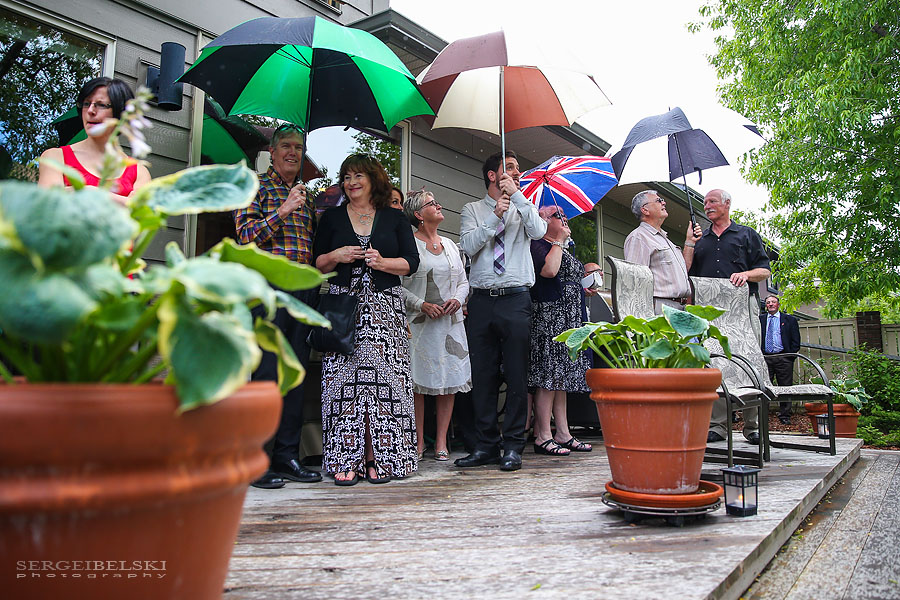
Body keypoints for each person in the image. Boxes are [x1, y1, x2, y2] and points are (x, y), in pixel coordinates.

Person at [313, 153, 420, 486]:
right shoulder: (331, 218)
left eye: (358, 175)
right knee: (342, 386)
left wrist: (383, 262)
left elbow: (411, 263)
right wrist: (337, 256)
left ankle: (380, 457)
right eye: (346, 176)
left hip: (385, 309)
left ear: (373, 179)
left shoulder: (394, 217)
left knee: (385, 386)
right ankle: (347, 458)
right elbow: (317, 263)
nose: (351, 182)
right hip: (343, 308)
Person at [233, 123, 322, 488]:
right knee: (268, 376)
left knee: (295, 375)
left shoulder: (307, 196)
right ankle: (259, 460)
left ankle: (287, 455)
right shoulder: (254, 187)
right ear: (272, 151)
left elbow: (311, 249)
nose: (293, 153)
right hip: (266, 291)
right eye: (286, 146)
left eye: (299, 148)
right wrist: (284, 209)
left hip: (301, 294)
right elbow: (246, 236)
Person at [457, 150, 547, 472]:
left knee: (516, 374)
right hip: (481, 300)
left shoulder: (525, 208)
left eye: (518, 169)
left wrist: (519, 199)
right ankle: (486, 446)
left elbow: (539, 232)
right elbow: (467, 247)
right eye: (509, 168)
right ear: (492, 176)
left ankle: (513, 446)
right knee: (482, 376)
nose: (516, 173)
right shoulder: (472, 209)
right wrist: (495, 216)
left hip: (516, 299)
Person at [684, 188, 771, 444]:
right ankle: (719, 426)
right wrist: (690, 242)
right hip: (711, 313)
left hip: (744, 308)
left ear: (727, 204)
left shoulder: (746, 234)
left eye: (712, 201)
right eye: (705, 202)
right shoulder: (701, 239)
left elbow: (764, 271)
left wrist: (747, 275)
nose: (707, 205)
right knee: (716, 362)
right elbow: (685, 270)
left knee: (749, 359)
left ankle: (752, 425)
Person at [401, 189, 472, 461]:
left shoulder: (452, 246)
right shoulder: (409, 245)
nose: (439, 205)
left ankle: (441, 441)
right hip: (420, 324)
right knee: (419, 381)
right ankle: (419, 441)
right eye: (432, 204)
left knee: (449, 379)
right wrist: (422, 304)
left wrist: (457, 298)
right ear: (419, 215)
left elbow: (464, 281)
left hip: (450, 323)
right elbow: (398, 286)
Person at [528, 206, 596, 456]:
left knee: (562, 378)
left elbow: (568, 275)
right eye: (558, 216)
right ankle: (543, 433)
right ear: (543, 221)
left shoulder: (563, 246)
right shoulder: (537, 244)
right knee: (549, 376)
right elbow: (549, 271)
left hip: (569, 316)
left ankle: (563, 432)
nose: (565, 219)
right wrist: (559, 240)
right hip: (549, 317)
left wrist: (583, 287)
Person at [38, 77, 151, 202]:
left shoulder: (138, 171)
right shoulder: (55, 157)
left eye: (101, 105)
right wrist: (119, 201)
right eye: (86, 104)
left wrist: (79, 192)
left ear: (120, 112)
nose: (90, 111)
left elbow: (138, 213)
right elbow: (49, 203)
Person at [623, 190, 692, 313]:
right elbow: (635, 283)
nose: (664, 203)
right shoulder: (639, 237)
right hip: (660, 309)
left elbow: (683, 273)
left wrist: (690, 242)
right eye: (658, 200)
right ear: (645, 210)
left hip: (680, 308)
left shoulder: (665, 240)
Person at [760, 295, 801, 424]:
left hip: (783, 357)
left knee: (785, 387)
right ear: (765, 306)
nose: (770, 304)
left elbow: (796, 340)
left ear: (778, 305)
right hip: (765, 358)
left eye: (773, 302)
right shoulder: (760, 320)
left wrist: (790, 356)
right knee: (764, 387)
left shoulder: (789, 320)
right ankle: (762, 415)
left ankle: (785, 415)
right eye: (768, 302)